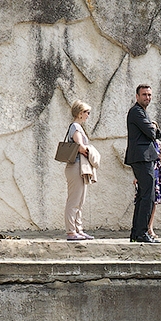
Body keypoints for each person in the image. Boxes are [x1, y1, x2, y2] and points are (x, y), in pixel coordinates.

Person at [125, 84, 161, 243]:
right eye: (144, 94)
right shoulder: (137, 112)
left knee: (143, 195)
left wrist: (152, 128)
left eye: (149, 95)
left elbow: (155, 133)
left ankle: (136, 233)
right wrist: (152, 126)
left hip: (143, 157)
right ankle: (141, 233)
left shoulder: (141, 112)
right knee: (148, 195)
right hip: (141, 157)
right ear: (137, 96)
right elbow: (153, 133)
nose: (147, 97)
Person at [64, 102, 96, 241]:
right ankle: (71, 231)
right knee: (74, 201)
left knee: (80, 200)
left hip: (79, 167)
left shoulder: (77, 127)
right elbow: (80, 146)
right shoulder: (75, 127)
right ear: (80, 113)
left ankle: (78, 229)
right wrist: (92, 152)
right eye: (87, 112)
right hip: (76, 166)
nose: (88, 115)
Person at [135, 139, 161, 239]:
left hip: (157, 172)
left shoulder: (159, 144)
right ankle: (142, 228)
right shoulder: (145, 143)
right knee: (145, 199)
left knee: (154, 201)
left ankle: (150, 227)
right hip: (146, 171)